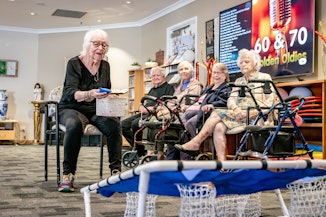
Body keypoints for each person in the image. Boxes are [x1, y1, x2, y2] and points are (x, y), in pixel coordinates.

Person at [175, 49, 276, 161]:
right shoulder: (239, 81)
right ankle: (223, 164)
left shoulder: (264, 78)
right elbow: (231, 100)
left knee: (216, 113)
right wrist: (236, 109)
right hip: (237, 115)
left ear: (255, 63)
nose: (243, 64)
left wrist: (251, 112)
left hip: (256, 116)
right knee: (218, 127)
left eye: (246, 62)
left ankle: (196, 142)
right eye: (241, 63)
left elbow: (269, 102)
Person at [57, 29, 122, 192]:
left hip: (96, 109)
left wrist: (109, 98)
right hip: (71, 107)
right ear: (87, 45)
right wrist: (90, 93)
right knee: (74, 125)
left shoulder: (105, 65)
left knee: (114, 125)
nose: (101, 48)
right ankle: (68, 174)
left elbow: (105, 90)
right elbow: (70, 93)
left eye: (104, 45)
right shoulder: (74, 63)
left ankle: (116, 172)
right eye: (97, 44)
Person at [121, 66, 175, 157]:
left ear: (163, 76)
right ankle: (138, 148)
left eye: (158, 75)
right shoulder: (152, 89)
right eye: (153, 76)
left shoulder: (169, 88)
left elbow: (167, 105)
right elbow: (145, 101)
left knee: (135, 124)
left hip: (155, 114)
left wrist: (152, 108)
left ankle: (139, 152)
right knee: (122, 125)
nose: (155, 78)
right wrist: (141, 106)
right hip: (144, 113)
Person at [156, 60, 203, 160]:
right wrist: (164, 108)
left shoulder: (196, 85)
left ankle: (175, 158)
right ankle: (167, 156)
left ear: (192, 71)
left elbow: (189, 102)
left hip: (185, 112)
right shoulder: (179, 87)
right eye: (181, 69)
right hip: (175, 112)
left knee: (171, 126)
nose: (183, 71)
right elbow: (172, 101)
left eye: (186, 69)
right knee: (162, 124)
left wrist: (168, 110)